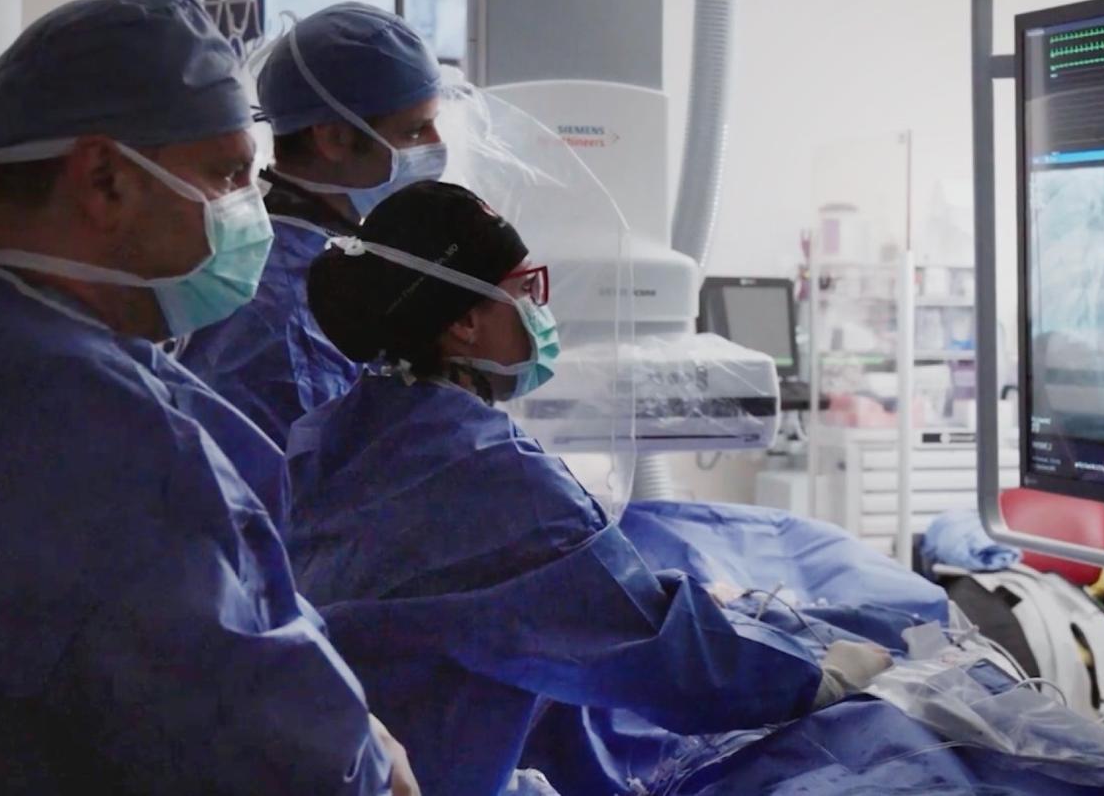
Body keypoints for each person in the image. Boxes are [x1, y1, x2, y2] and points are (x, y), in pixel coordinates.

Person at [287, 180, 893, 796]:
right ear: (466, 323)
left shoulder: (345, 432)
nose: (540, 311)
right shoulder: (481, 472)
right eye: (526, 291)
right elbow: (660, 654)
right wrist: (812, 678)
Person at [0, 0, 418, 794]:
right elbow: (268, 748)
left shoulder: (61, 353)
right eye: (227, 174)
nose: (248, 208)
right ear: (104, 180)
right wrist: (361, 755)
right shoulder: (85, 426)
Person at [179, 2, 447, 449]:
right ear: (333, 137)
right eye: (416, 132)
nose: (438, 147)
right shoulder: (289, 303)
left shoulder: (314, 250)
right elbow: (308, 491)